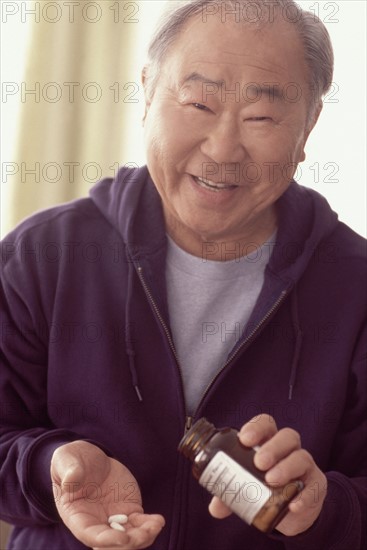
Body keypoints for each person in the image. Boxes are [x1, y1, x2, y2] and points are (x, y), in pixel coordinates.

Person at [1, 0, 366, 548]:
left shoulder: (355, 287)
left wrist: (325, 509)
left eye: (261, 117)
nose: (223, 149)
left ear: (310, 122)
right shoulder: (42, 256)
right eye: (198, 102)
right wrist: (50, 467)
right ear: (147, 93)